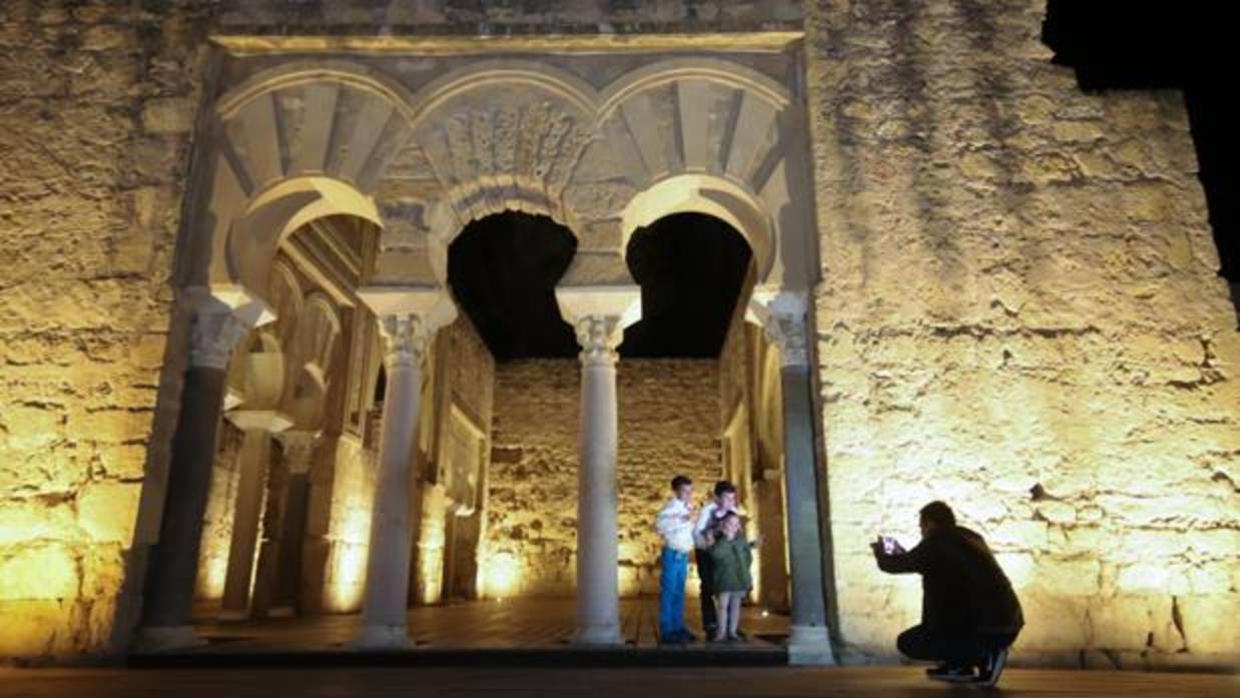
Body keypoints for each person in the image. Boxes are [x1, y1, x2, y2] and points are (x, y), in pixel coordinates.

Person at [872, 501, 1024, 687]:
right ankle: (959, 666)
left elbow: (897, 565)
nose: (921, 532)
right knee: (946, 611)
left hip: (985, 630)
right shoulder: (971, 536)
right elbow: (922, 562)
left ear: (929, 524)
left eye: (921, 526)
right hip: (1006, 622)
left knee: (908, 642)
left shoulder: (936, 541)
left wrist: (880, 553)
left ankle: (984, 656)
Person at [693, 480, 740, 640]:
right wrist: (714, 533)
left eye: (732, 499)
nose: (730, 502)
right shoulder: (707, 511)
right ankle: (710, 624)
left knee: (726, 586)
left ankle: (728, 626)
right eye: (727, 498)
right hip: (706, 552)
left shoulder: (733, 511)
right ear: (717, 498)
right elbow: (698, 533)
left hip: (723, 554)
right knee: (707, 586)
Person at [653, 475, 697, 645]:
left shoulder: (688, 507)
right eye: (685, 491)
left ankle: (678, 627)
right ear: (675, 491)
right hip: (672, 553)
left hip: (683, 554)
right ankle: (667, 630)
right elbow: (659, 525)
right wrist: (682, 519)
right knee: (669, 592)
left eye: (690, 490)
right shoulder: (671, 507)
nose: (688, 494)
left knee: (679, 593)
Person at [706, 512, 752, 642]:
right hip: (724, 577)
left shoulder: (741, 540)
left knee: (736, 605)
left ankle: (733, 631)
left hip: (739, 577)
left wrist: (745, 570)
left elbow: (748, 557)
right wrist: (726, 540)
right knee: (722, 605)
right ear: (724, 525)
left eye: (737, 524)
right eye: (731, 523)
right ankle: (721, 632)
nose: (734, 526)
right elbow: (716, 555)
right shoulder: (720, 540)